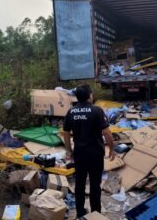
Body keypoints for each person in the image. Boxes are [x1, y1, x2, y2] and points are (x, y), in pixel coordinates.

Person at [63, 84, 115, 218]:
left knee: (79, 183)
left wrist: (69, 151)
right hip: (95, 154)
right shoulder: (97, 110)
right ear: (89, 96)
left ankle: (80, 212)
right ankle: (95, 212)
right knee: (95, 184)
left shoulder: (71, 112)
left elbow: (66, 134)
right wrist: (112, 149)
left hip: (79, 154)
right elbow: (107, 133)